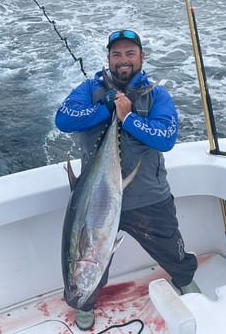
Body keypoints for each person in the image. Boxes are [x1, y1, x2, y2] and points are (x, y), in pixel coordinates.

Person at [55, 29, 200, 331]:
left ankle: (185, 279)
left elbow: (166, 138)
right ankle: (84, 301)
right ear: (108, 58)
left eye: (130, 53)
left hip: (148, 195)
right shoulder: (89, 89)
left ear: (141, 57)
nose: (123, 60)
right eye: (117, 54)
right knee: (92, 253)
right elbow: (64, 120)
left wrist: (127, 117)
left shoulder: (157, 95)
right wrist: (106, 107)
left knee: (170, 247)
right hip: (95, 199)